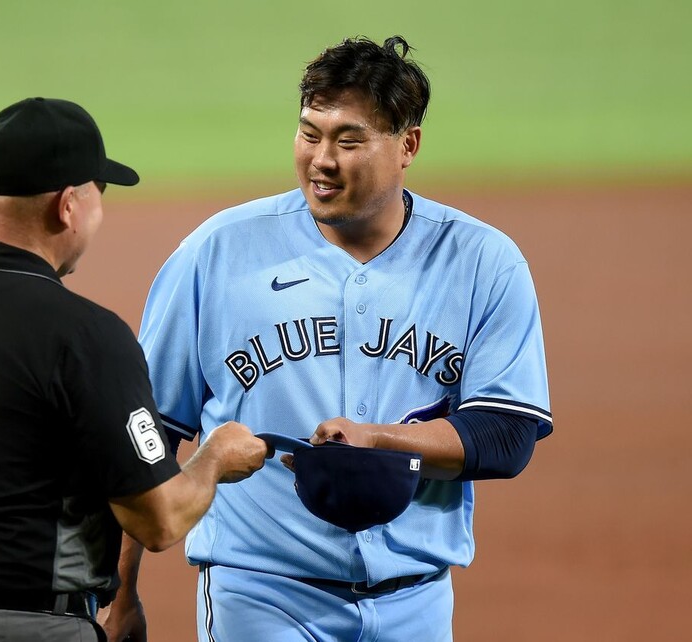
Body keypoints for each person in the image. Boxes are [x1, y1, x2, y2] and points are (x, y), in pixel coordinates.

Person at [103, 36, 553, 642]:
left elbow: (506, 432)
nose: (321, 159)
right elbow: (150, 430)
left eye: (348, 140)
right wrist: (120, 590)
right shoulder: (218, 252)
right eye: (309, 133)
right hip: (260, 592)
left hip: (415, 600)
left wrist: (379, 441)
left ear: (407, 146)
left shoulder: (483, 262)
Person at [0, 97, 269, 642]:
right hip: (29, 629)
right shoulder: (83, 335)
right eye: (99, 194)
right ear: (68, 205)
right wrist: (216, 457)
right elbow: (159, 519)